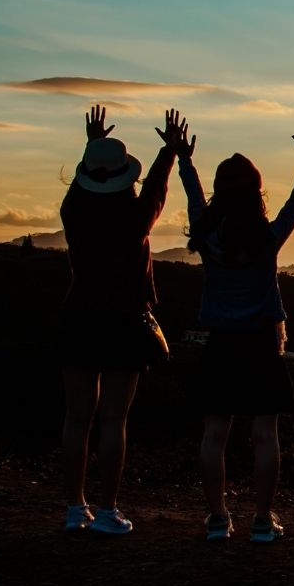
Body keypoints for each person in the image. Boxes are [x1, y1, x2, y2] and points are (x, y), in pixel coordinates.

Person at [179, 118, 294, 543]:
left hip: (221, 343)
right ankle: (262, 519)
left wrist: (185, 159)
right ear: (256, 192)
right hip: (262, 344)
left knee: (214, 434)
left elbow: (192, 196)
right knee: (265, 436)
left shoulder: (207, 235)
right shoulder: (267, 237)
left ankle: (218, 518)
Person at [59, 105, 185, 535]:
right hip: (124, 321)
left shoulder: (73, 212)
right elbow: (155, 191)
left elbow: (88, 184)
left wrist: (92, 144)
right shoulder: (134, 219)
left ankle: (75, 507)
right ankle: (107, 507)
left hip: (79, 316)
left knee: (77, 418)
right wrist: (169, 150)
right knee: (114, 419)